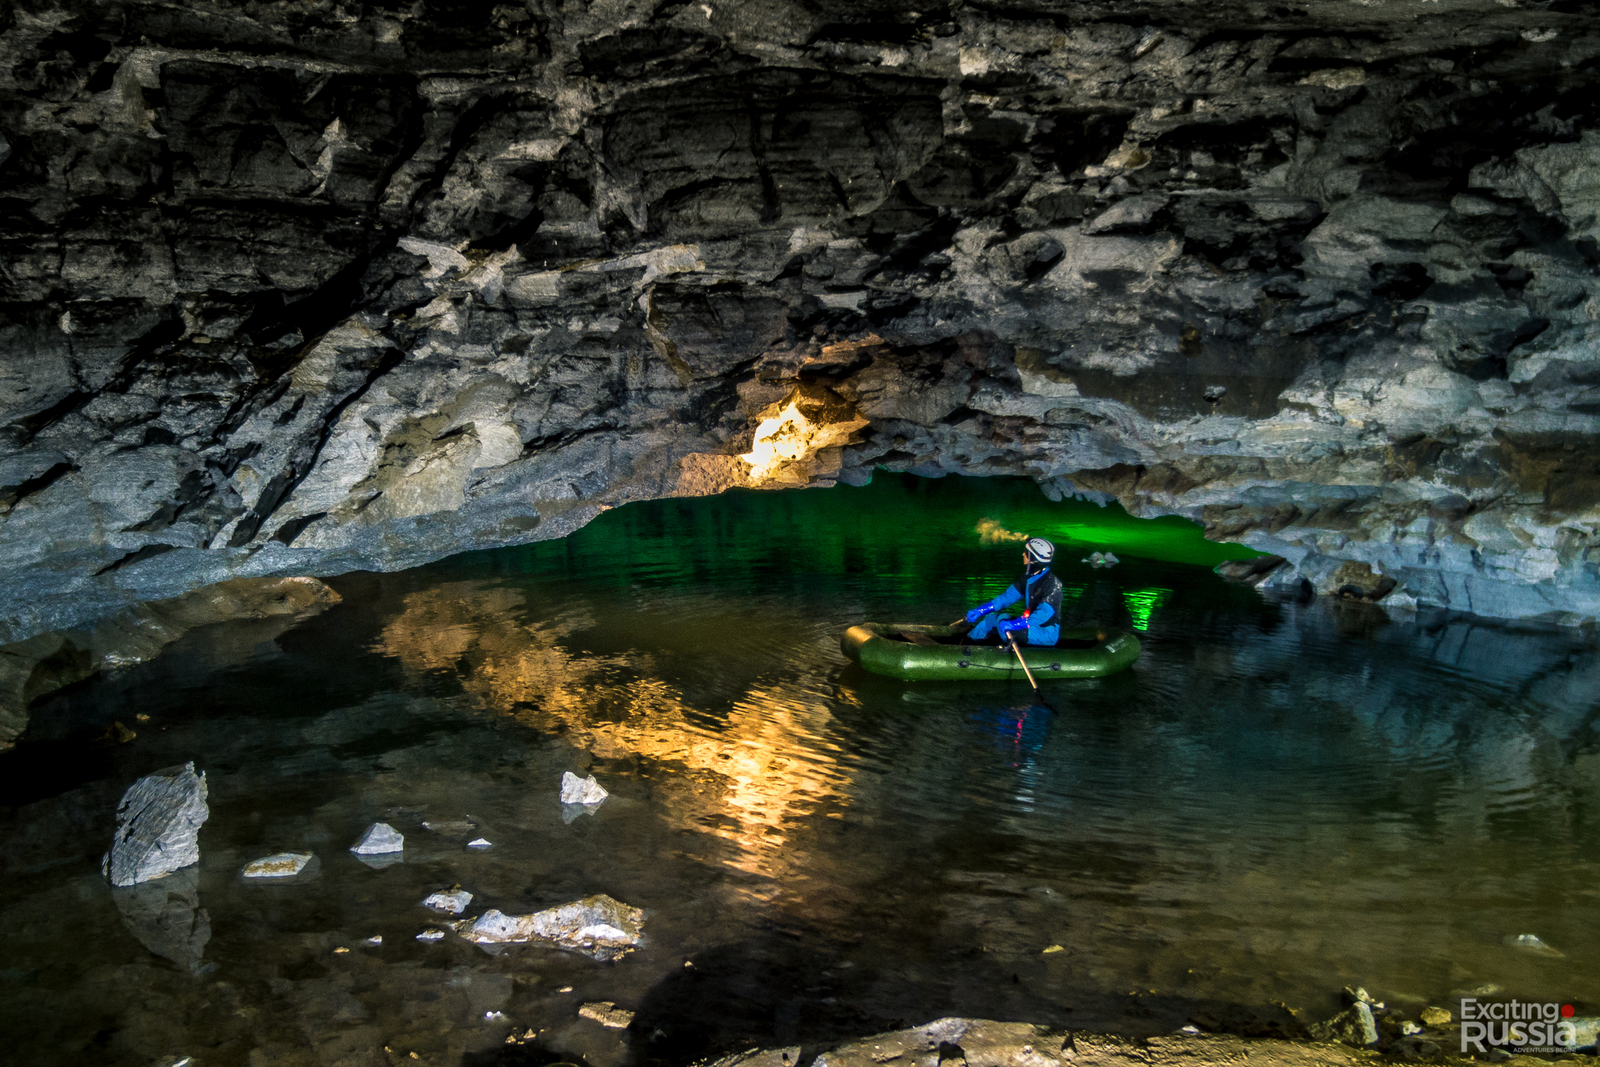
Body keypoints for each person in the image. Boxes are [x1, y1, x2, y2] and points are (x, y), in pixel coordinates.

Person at [964, 537, 1062, 646]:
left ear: (1033, 559)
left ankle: (1006, 651)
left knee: (1005, 626)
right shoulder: (1027, 578)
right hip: (1030, 625)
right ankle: (967, 644)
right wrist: (980, 611)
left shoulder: (1052, 584)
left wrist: (1015, 625)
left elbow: (1042, 614)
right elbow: (1006, 598)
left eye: (1026, 553)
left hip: (1045, 632)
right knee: (991, 619)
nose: (1023, 555)